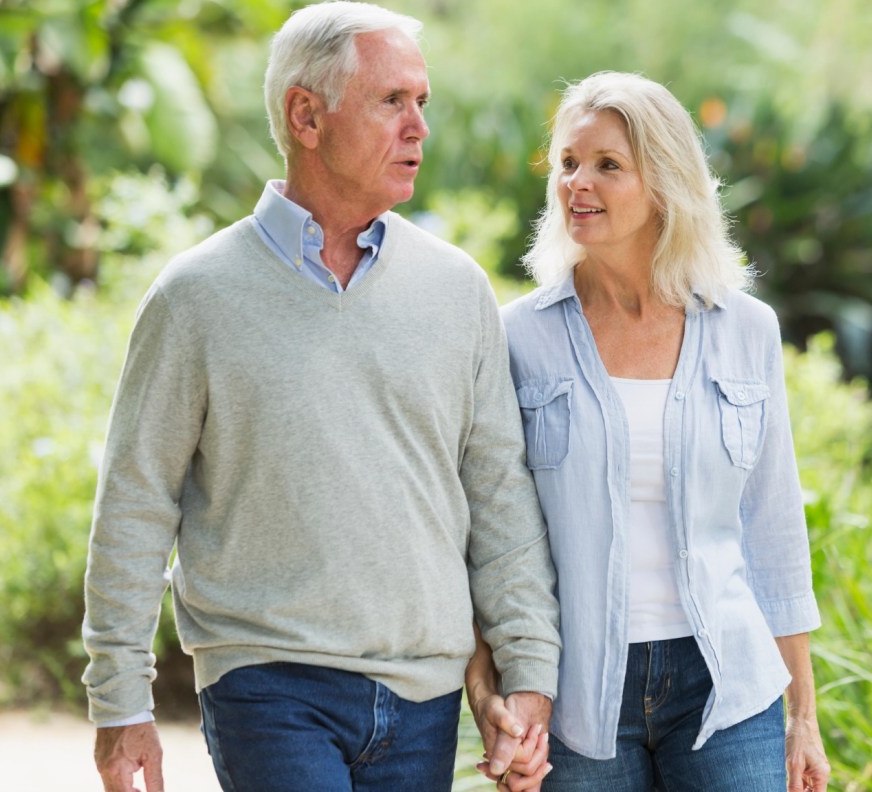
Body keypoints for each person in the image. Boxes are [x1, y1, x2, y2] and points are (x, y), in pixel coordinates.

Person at [81, 3, 560, 790]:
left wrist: (528, 671)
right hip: (267, 680)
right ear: (307, 116)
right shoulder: (196, 297)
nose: (419, 128)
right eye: (391, 101)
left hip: (424, 696)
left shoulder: (455, 291)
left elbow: (499, 496)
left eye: (422, 102)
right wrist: (118, 702)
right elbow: (135, 503)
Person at [466, 71, 831, 791]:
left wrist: (804, 714)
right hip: (577, 693)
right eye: (568, 163)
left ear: (664, 182)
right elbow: (489, 530)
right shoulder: (518, 339)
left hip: (726, 682)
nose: (578, 183)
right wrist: (494, 689)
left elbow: (773, 526)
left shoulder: (745, 329)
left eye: (607, 165)